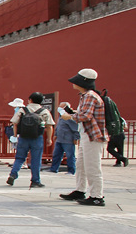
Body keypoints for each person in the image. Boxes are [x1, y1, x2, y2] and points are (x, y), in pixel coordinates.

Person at [59, 69, 108, 206]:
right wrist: (73, 112)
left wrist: (69, 116)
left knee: (92, 166)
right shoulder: (86, 95)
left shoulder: (90, 96)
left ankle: (97, 196)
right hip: (86, 134)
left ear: (83, 82)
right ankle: (80, 190)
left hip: (93, 136)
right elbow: (85, 113)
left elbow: (86, 116)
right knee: (81, 165)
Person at [6, 92, 54, 188]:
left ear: (30, 100)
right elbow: (49, 126)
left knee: (20, 158)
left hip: (23, 137)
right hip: (37, 138)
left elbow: (15, 123)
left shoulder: (22, 110)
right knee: (36, 159)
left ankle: (13, 174)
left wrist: (15, 135)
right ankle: (35, 180)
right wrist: (49, 139)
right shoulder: (44, 111)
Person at [49, 102, 80, 174]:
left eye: (61, 107)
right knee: (56, 155)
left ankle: (71, 170)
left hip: (68, 140)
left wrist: (76, 138)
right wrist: (55, 134)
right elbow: (59, 126)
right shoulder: (61, 116)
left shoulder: (70, 117)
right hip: (59, 139)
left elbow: (75, 129)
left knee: (70, 155)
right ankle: (54, 169)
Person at [102, 89, 128, 167]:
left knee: (110, 149)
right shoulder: (118, 117)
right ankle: (119, 162)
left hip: (115, 133)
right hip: (121, 133)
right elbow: (125, 125)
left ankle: (122, 159)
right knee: (120, 149)